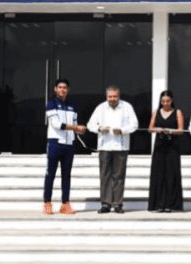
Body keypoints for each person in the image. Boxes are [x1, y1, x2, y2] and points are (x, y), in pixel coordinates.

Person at [86, 85, 139, 214]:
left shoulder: (127, 107)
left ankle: (118, 203)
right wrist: (99, 129)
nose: (112, 99)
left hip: (121, 146)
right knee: (105, 176)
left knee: (119, 176)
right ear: (106, 96)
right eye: (110, 96)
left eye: (115, 96)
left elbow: (134, 124)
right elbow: (90, 124)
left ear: (119, 96)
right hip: (104, 146)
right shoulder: (101, 108)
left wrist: (122, 130)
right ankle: (105, 204)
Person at [43, 78, 87, 215]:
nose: (62, 89)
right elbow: (57, 124)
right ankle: (47, 202)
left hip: (69, 145)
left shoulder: (73, 105)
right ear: (55, 89)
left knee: (66, 175)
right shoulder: (51, 104)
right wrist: (75, 127)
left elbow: (75, 124)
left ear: (68, 89)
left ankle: (65, 204)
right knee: (50, 174)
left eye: (65, 87)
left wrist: (79, 130)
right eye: (60, 87)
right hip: (55, 143)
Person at [147, 90, 185, 212]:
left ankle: (171, 204)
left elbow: (181, 130)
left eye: (168, 101)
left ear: (172, 100)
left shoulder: (177, 112)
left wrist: (170, 130)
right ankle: (159, 204)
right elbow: (150, 128)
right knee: (159, 174)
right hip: (159, 145)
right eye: (163, 101)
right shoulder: (156, 112)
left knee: (171, 174)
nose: (165, 103)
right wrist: (157, 129)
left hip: (172, 146)